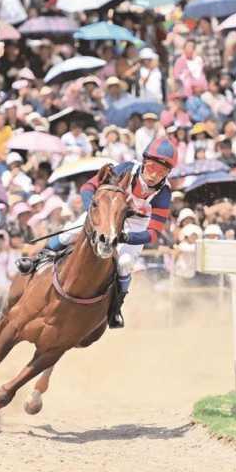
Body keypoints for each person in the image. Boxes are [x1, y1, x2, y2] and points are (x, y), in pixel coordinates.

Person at [43, 137, 176, 328]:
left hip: (136, 223)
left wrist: (126, 238)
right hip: (108, 212)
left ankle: (115, 308)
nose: (154, 175)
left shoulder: (164, 193)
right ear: (145, 161)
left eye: (162, 171)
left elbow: (153, 233)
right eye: (152, 167)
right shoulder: (127, 169)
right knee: (67, 234)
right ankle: (37, 261)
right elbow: (88, 187)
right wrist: (93, 212)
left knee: (125, 263)